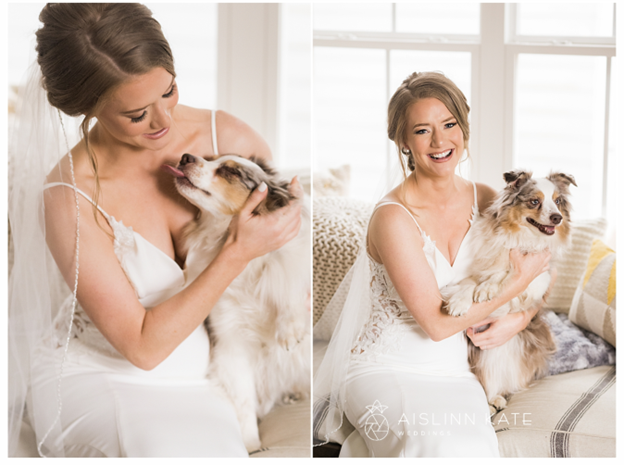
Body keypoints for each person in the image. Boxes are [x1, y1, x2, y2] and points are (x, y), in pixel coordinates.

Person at [8, 3, 302, 458]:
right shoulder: (69, 195)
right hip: (107, 374)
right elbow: (142, 349)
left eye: (169, 90)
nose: (164, 120)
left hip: (211, 377)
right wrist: (236, 253)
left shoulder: (227, 139)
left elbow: (285, 262)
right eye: (137, 114)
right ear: (89, 108)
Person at [313, 71, 553, 457]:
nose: (440, 142)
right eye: (423, 131)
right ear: (403, 141)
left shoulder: (487, 199)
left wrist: (518, 320)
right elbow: (438, 324)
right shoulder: (392, 218)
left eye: (449, 124)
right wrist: (515, 283)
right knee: (432, 444)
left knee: (472, 447)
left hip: (457, 373)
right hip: (386, 368)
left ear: (463, 127)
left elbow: (537, 274)